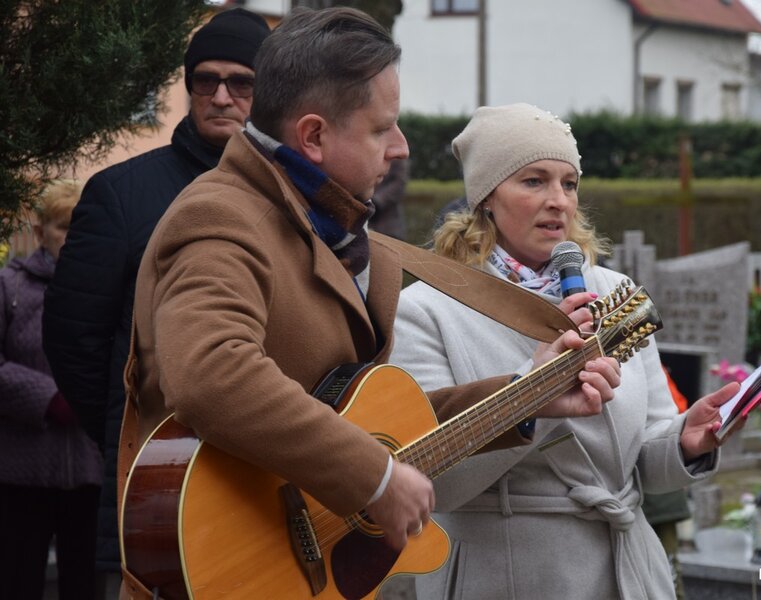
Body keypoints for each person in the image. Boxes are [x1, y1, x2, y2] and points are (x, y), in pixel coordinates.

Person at [123, 6, 618, 591]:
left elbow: (371, 420)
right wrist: (373, 477)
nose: (401, 148)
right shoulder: (220, 217)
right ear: (313, 136)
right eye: (383, 129)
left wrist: (527, 395)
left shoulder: (350, 239)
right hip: (226, 565)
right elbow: (210, 372)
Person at [389, 103, 741, 600]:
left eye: (569, 184)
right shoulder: (425, 310)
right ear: (486, 197)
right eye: (534, 181)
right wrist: (533, 393)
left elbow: (640, 461)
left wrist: (687, 441)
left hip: (626, 572)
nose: (558, 201)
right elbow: (430, 483)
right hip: (506, 577)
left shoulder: (616, 292)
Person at [41, 8, 270, 589]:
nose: (221, 96)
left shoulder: (287, 198)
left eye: (241, 82)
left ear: (266, 93)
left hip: (266, 483)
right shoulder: (120, 194)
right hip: (151, 484)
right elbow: (73, 337)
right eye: (205, 80)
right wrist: (131, 428)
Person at [0, 180, 103, 600]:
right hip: (22, 472)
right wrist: (50, 398)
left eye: (82, 228)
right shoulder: (10, 287)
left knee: (84, 586)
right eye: (64, 227)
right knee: (17, 583)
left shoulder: (103, 291)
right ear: (41, 232)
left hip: (90, 472)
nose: (72, 238)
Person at [369, 156, 410, 240]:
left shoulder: (397, 154)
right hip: (366, 223)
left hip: (389, 226)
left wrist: (377, 200)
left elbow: (400, 183)